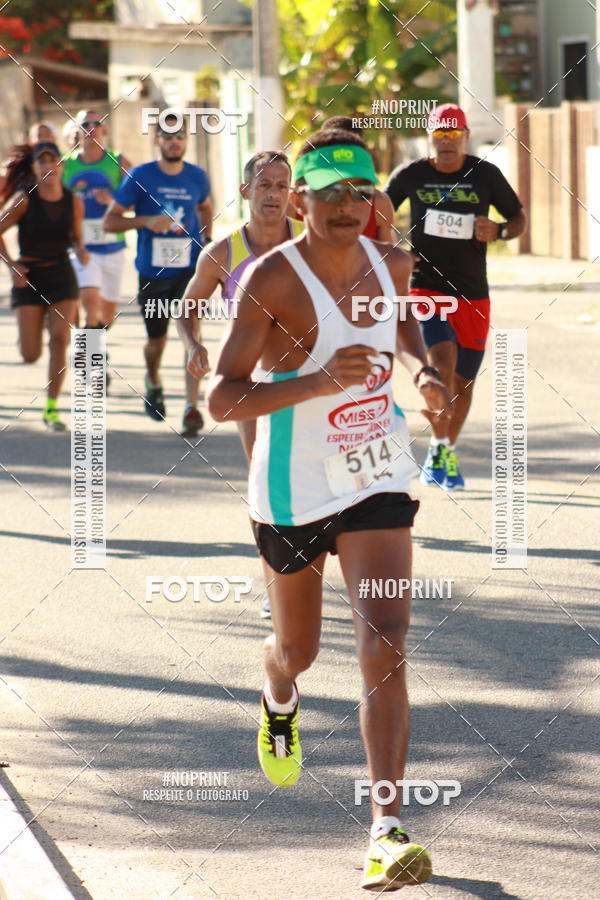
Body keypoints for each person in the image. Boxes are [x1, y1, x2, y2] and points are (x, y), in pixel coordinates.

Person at [208, 129, 450, 891]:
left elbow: (401, 324)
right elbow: (221, 397)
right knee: (302, 650)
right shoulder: (271, 280)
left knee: (386, 639)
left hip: (375, 469)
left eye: (361, 190)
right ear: (302, 197)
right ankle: (279, 692)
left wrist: (423, 372)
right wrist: (314, 382)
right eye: (332, 192)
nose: (349, 206)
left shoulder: (394, 263)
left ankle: (385, 828)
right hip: (290, 485)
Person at [180, 149, 303, 618]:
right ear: (245, 191)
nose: (273, 194)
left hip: (306, 377)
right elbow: (188, 306)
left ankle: (306, 565)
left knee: (313, 476)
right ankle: (277, 581)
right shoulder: (223, 253)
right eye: (265, 185)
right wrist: (194, 347)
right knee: (263, 475)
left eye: (281, 185)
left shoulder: (311, 243)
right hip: (250, 383)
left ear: (292, 193)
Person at [385, 103, 527, 489]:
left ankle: (443, 446)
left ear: (465, 136)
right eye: (439, 135)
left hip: (473, 292)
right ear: (430, 138)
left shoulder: (485, 174)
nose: (446, 142)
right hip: (425, 285)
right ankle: (438, 443)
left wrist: (497, 231)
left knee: (464, 382)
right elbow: (379, 210)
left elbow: (518, 218)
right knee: (441, 359)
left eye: (453, 134)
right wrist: (394, 250)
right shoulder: (412, 174)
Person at [103, 114, 213, 435]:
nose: (174, 141)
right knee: (158, 340)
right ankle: (153, 378)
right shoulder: (140, 176)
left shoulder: (197, 176)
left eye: (179, 135)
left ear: (186, 141)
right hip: (153, 272)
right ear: (157, 140)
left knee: (192, 335)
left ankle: (192, 407)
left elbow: (205, 207)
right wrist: (145, 222)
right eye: (167, 136)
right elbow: (111, 221)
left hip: (190, 269)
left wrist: (205, 239)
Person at [0, 142, 87, 430]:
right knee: (30, 354)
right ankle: (28, 334)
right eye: (42, 162)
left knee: (61, 339)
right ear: (35, 169)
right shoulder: (24, 199)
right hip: (29, 276)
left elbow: (76, 236)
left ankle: (52, 409)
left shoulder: (74, 201)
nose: (48, 167)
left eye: (53, 161)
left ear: (62, 167)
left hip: (62, 276)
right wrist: (12, 266)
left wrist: (81, 248)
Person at [63, 110, 132, 335]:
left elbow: (136, 202)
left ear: (104, 130)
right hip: (82, 247)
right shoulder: (65, 165)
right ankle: (91, 368)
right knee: (91, 307)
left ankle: (97, 354)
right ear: (77, 131)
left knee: (107, 316)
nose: (90, 128)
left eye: (96, 123)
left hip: (112, 245)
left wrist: (112, 200)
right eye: (84, 124)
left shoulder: (119, 161)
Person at [289, 116, 395, 243]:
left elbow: (386, 255)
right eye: (328, 191)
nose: (346, 206)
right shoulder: (292, 202)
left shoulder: (379, 202)